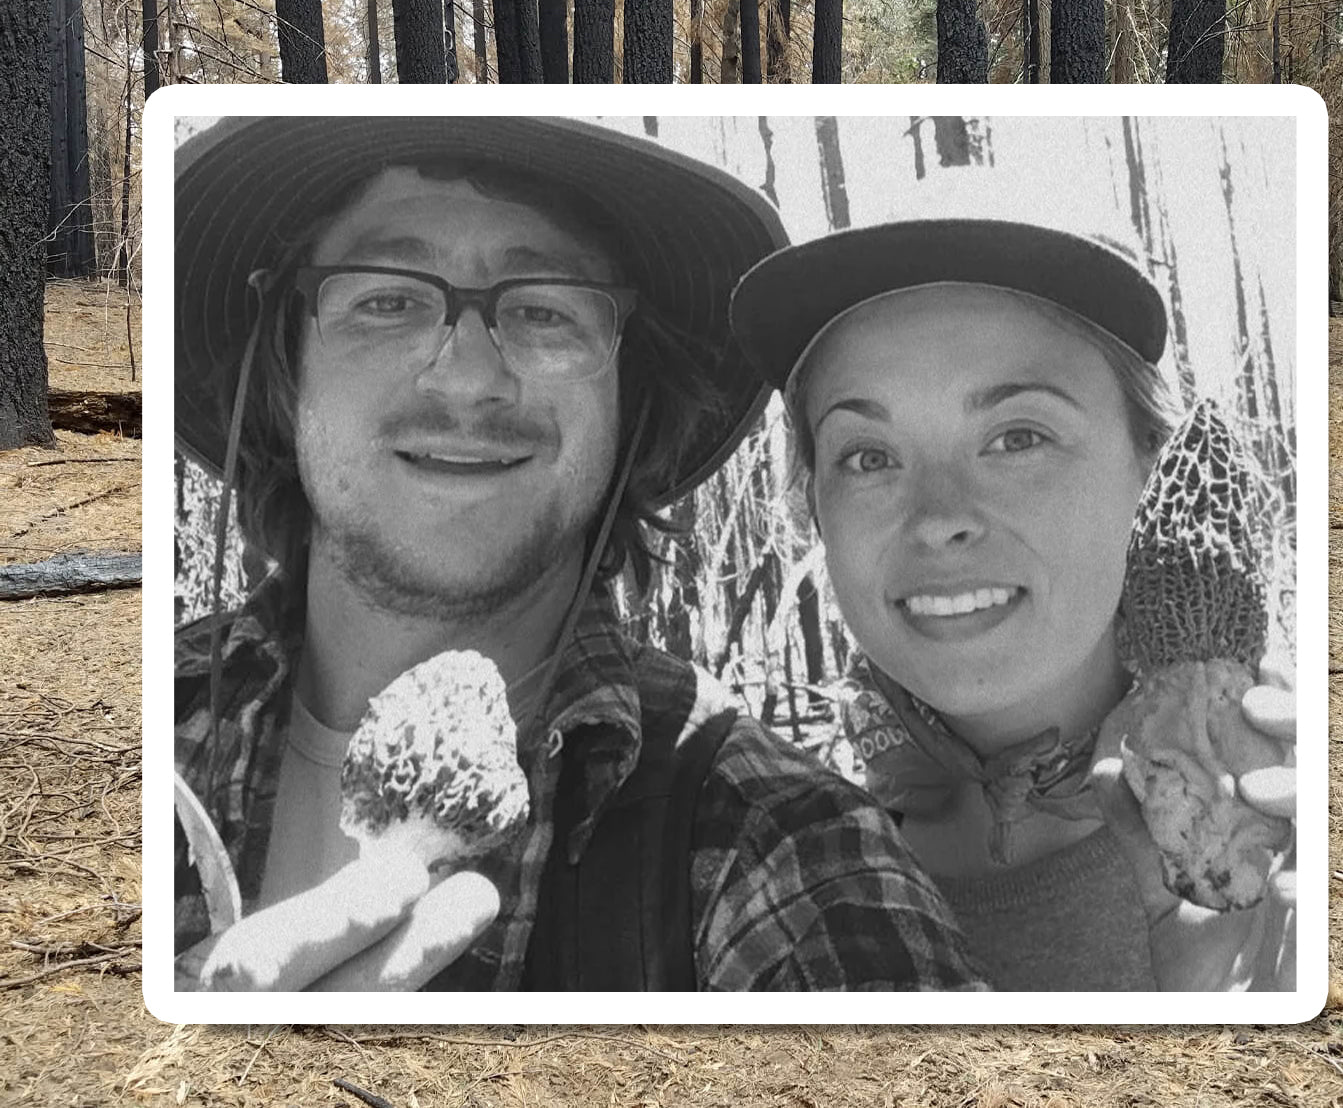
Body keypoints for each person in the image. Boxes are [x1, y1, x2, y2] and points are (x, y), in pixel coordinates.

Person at [171, 118, 981, 992]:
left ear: (630, 402)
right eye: (387, 299)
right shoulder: (132, 731)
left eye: (544, 308)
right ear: (286, 367)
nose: (467, 378)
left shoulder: (785, 854)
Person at [728, 219, 1298, 991]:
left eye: (1017, 436)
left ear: (1149, 471)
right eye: (867, 457)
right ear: (815, 512)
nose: (937, 517)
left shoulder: (1279, 833)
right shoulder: (764, 880)